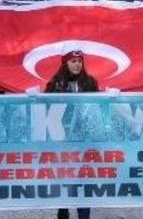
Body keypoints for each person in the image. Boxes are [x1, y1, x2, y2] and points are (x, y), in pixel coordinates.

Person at [44, 50, 96, 219]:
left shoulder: (90, 82)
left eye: (79, 61)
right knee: (65, 176)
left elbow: (97, 105)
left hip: (84, 138)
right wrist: (36, 97)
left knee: (84, 177)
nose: (77, 64)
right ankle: (63, 211)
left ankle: (84, 214)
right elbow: (46, 107)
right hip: (63, 139)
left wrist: (110, 95)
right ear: (65, 63)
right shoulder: (55, 84)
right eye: (73, 61)